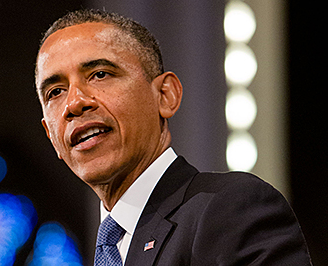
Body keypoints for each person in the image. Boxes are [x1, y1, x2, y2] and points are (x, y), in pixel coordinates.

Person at [35, 9, 311, 265]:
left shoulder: (230, 208)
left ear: (165, 95)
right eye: (55, 92)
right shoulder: (105, 248)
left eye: (99, 74)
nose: (74, 103)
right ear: (51, 135)